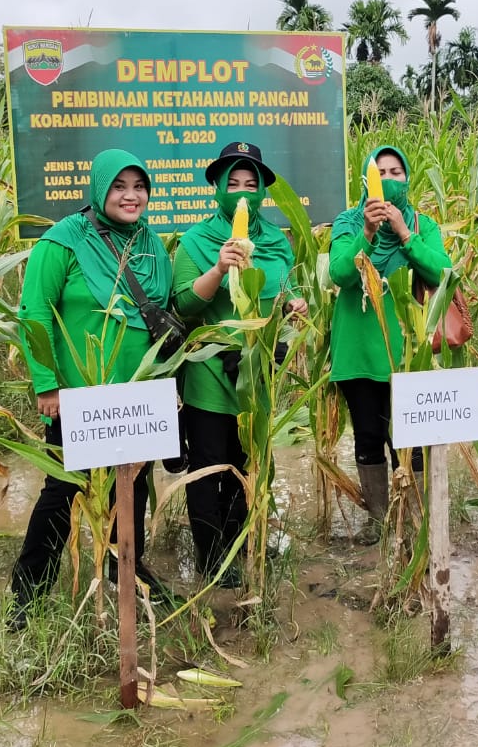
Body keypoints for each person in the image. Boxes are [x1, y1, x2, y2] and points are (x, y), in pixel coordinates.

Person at [9, 149, 174, 625]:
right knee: (63, 492)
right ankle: (28, 595)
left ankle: (126, 572)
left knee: (134, 485)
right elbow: (34, 313)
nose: (131, 195)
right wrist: (48, 385)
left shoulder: (151, 245)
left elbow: (164, 311)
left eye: (139, 186)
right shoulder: (61, 242)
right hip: (80, 396)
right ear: (100, 189)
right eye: (119, 186)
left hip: (138, 392)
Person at [172, 142, 306, 585]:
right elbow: (185, 305)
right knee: (210, 468)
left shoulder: (276, 242)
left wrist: (294, 305)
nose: (243, 193)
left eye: (252, 184)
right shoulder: (196, 240)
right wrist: (217, 269)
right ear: (216, 187)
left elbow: (281, 295)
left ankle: (246, 543)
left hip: (258, 373)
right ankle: (213, 561)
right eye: (233, 183)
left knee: (249, 464)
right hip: (210, 373)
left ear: (265, 190)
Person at [330, 145, 452, 544]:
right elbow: (340, 274)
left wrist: (404, 234)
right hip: (358, 349)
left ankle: (413, 521)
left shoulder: (422, 223)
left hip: (407, 354)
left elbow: (443, 273)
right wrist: (366, 232)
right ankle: (379, 521)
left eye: (395, 171)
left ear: (406, 177)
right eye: (378, 172)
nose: (387, 178)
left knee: (409, 440)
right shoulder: (348, 222)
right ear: (367, 182)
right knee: (367, 437)